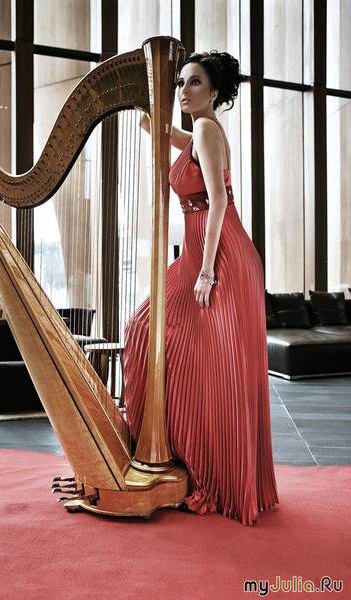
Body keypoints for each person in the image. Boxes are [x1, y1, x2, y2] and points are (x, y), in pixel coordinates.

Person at [124, 50, 278, 525]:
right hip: (199, 255)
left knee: (218, 368)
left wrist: (207, 271)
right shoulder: (196, 134)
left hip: (221, 258)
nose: (184, 90)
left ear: (214, 92)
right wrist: (141, 99)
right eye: (181, 82)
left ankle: (217, 475)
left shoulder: (208, 130)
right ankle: (176, 450)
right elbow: (158, 129)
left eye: (194, 83)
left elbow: (218, 203)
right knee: (145, 328)